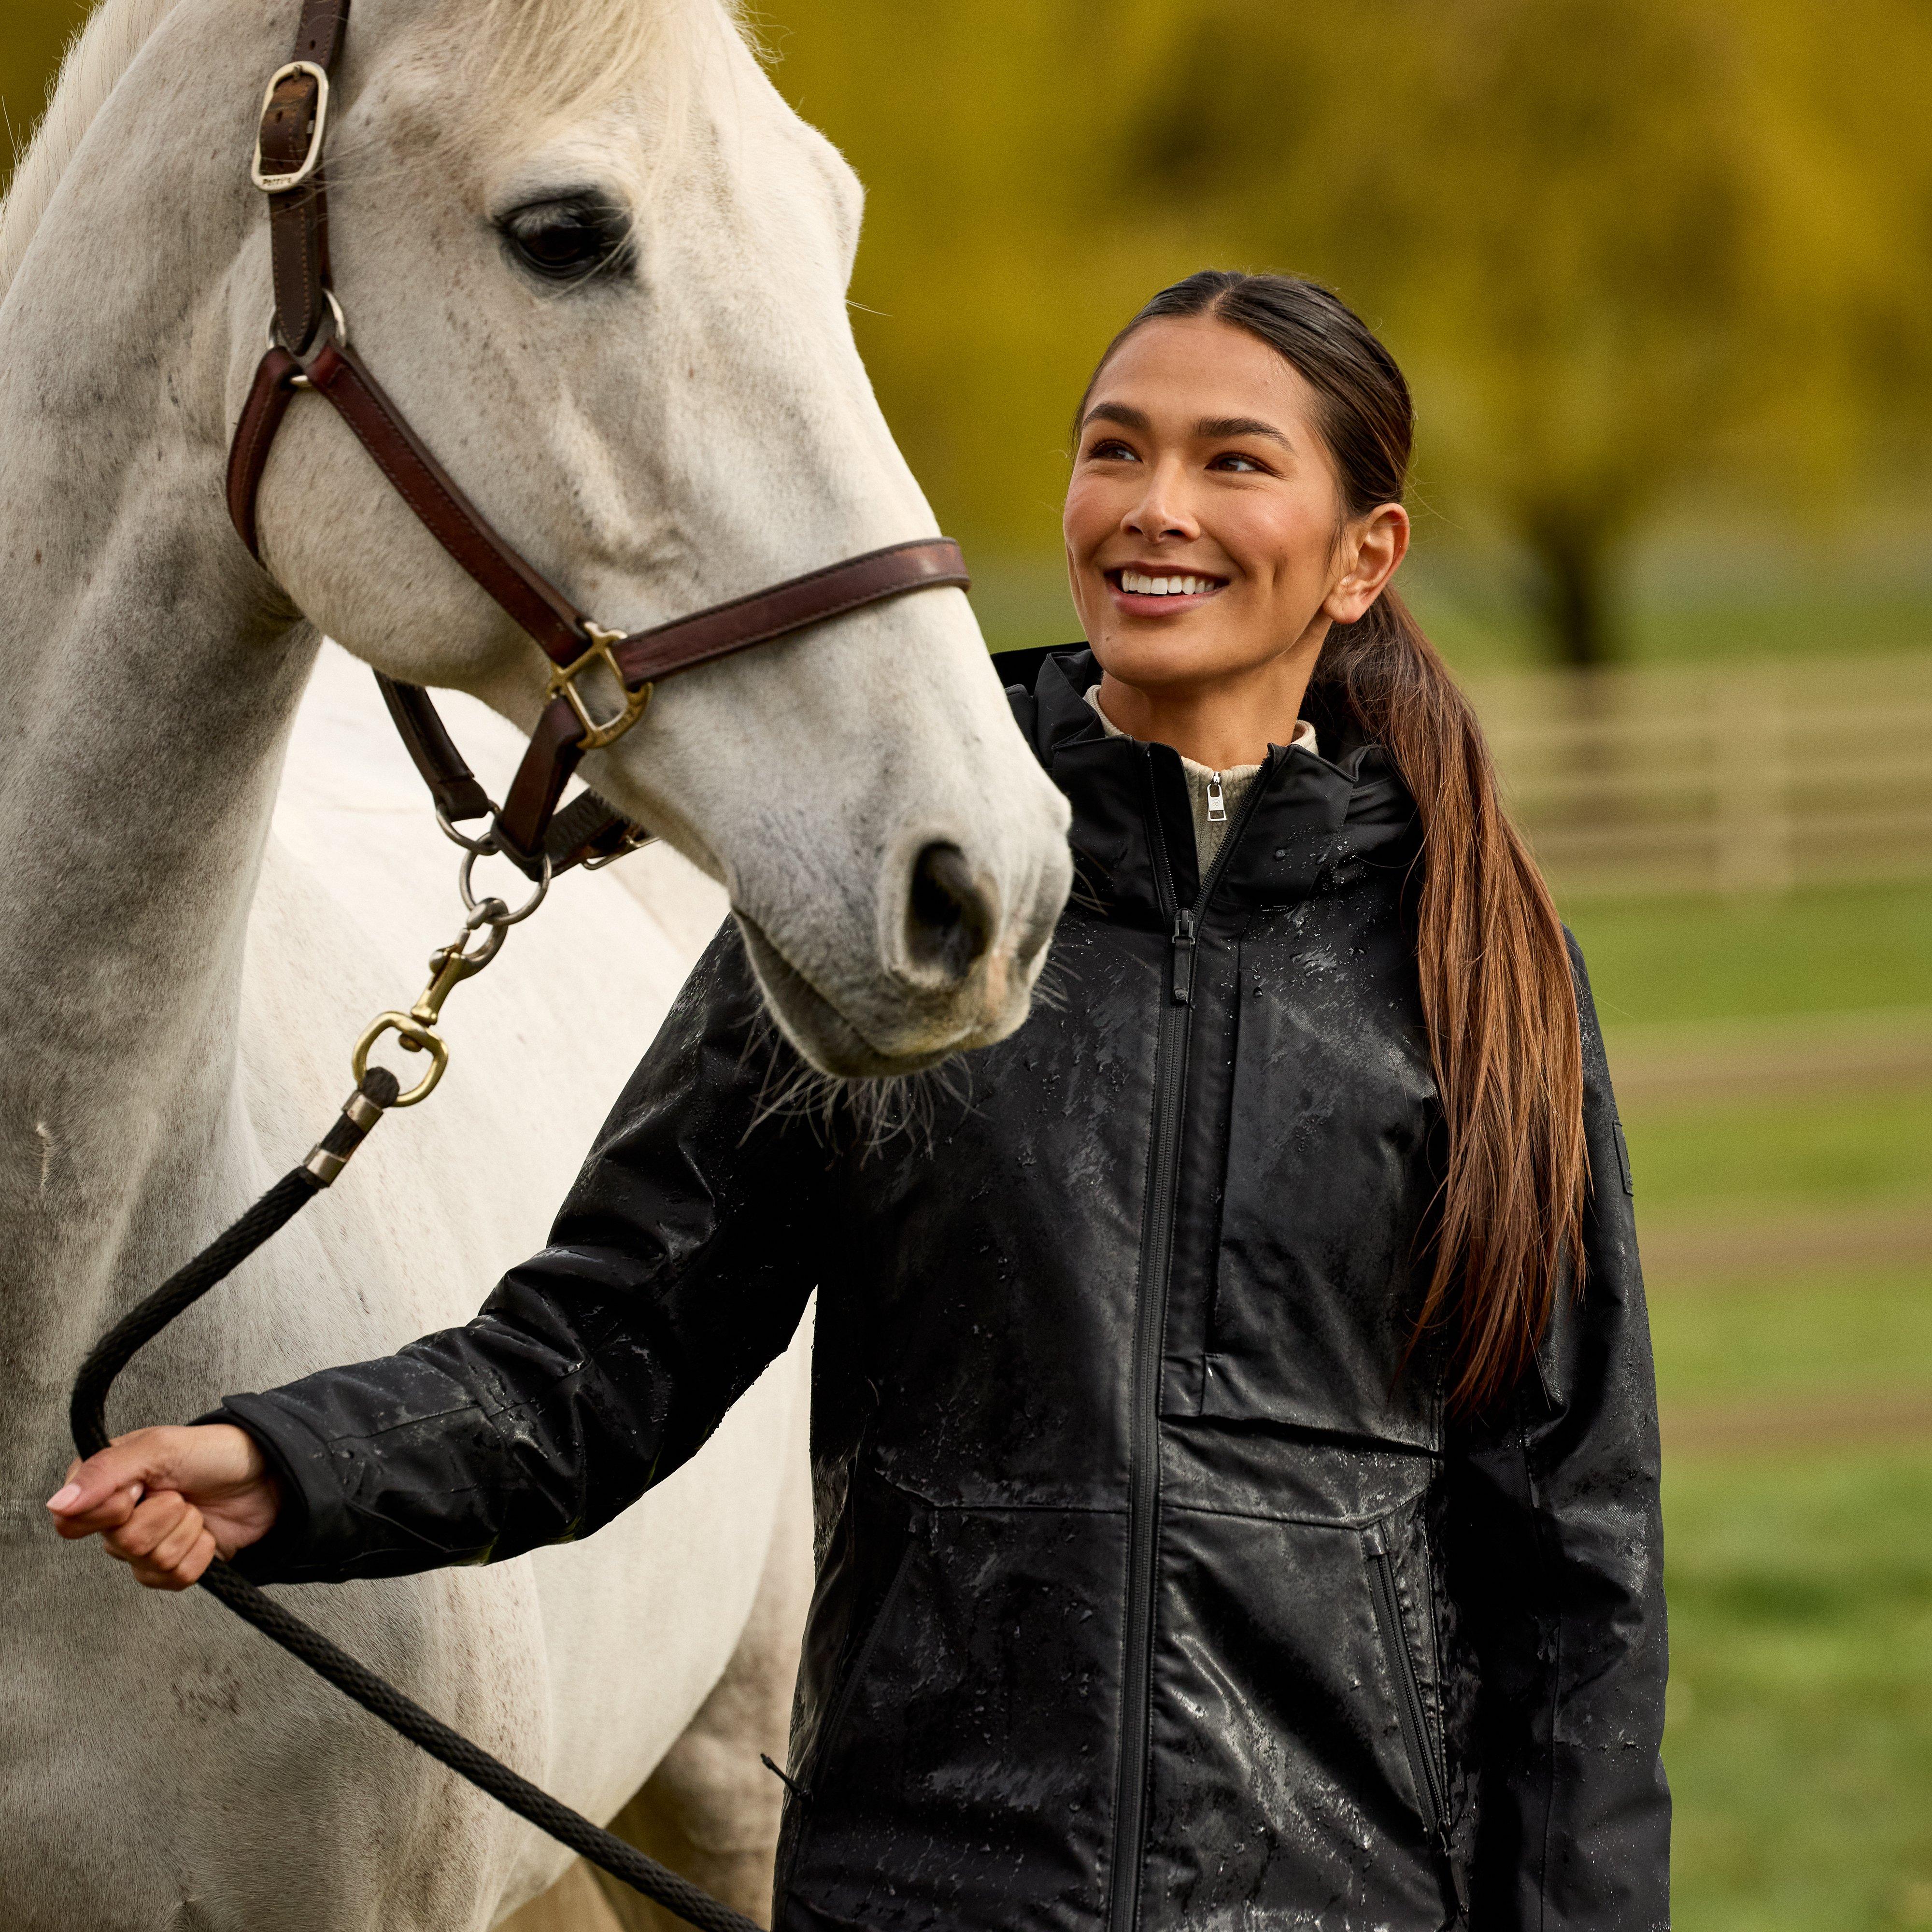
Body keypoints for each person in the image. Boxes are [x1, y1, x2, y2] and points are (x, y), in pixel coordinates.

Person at [50, 271, 1669, 1931]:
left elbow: (1575, 1556)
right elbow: (600, 1360)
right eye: (1116, 449)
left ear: (1363, 555)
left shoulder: (1476, 968)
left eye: (1233, 462)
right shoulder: (892, 923)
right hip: (928, 1894)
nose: (1154, 507)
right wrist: (289, 1466)